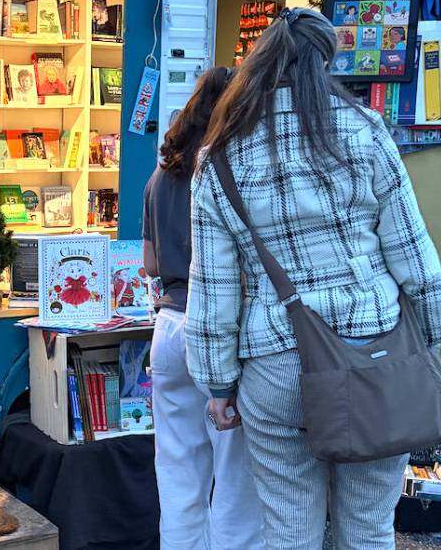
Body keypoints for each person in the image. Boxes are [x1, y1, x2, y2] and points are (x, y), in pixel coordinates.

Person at [185, 7, 441, 549]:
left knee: (287, 530)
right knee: (370, 529)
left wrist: (217, 383)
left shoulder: (219, 157)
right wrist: (431, 329)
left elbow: (212, 289)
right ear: (325, 59)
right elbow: (410, 248)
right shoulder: (364, 131)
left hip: (276, 362)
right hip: (375, 354)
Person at [143, 66, 265, 550]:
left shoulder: (160, 175)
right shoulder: (233, 167)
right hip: (220, 327)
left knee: (176, 472)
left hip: (168, 325)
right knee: (237, 482)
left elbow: (150, 263)